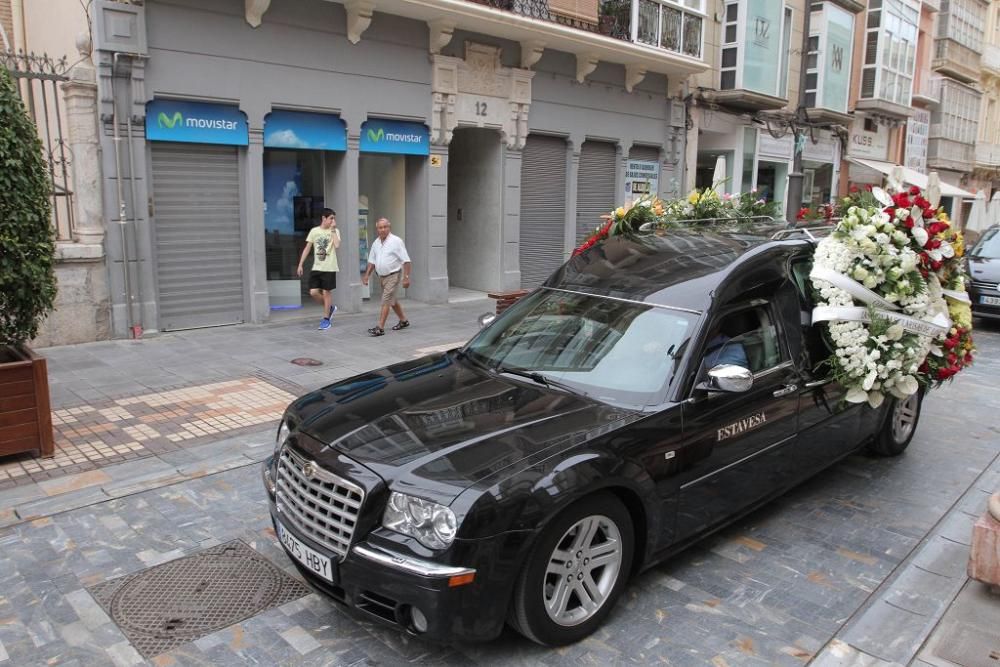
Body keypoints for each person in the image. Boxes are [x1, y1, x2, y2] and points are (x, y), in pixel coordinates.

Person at [361, 217, 411, 337]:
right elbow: (372, 261)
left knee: (386, 300)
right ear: (377, 229)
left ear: (389, 227)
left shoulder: (396, 241)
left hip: (394, 275)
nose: (382, 229)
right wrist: (366, 275)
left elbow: (406, 261)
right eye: (380, 227)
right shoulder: (376, 243)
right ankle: (403, 321)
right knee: (392, 301)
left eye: (385, 227)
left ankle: (380, 328)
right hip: (382, 277)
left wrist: (406, 277)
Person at [297, 208, 340, 331]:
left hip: (330, 267)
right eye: (331, 218)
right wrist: (300, 264)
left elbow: (337, 245)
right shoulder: (314, 231)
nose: (333, 221)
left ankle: (326, 319)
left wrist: (332, 230)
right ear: (323, 218)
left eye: (334, 218)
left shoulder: (335, 231)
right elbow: (307, 248)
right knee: (313, 292)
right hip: (317, 267)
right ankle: (330, 308)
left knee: (327, 292)